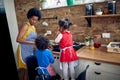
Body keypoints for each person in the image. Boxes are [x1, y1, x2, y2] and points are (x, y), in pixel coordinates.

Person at [16, 7, 42, 80]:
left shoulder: (33, 27)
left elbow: (33, 38)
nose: (34, 21)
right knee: (26, 70)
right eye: (33, 19)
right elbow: (18, 39)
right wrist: (32, 42)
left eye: (36, 20)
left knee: (28, 70)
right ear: (29, 17)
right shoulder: (26, 25)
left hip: (29, 50)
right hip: (23, 51)